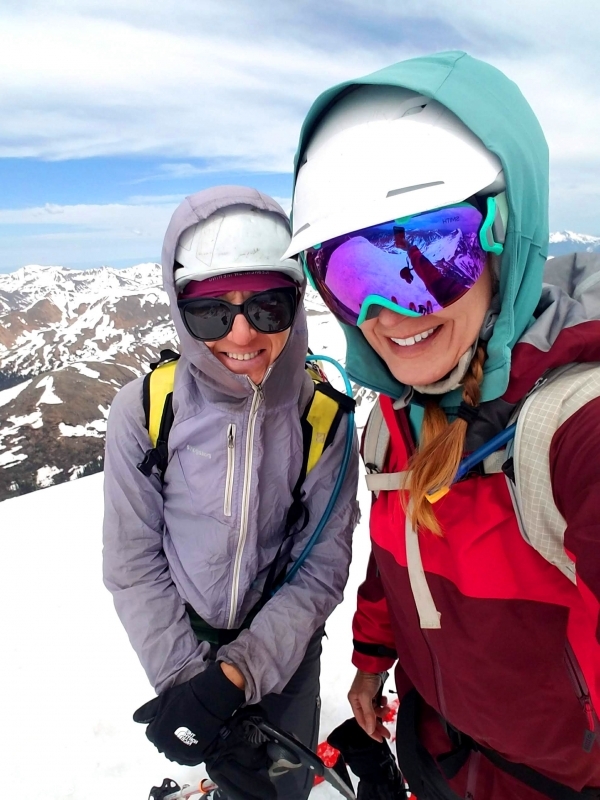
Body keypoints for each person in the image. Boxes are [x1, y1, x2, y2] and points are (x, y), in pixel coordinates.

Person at [283, 52, 600, 799]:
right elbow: (400, 560)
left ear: (504, 235)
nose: (388, 312)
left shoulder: (572, 431)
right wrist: (370, 660)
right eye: (351, 271)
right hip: (438, 751)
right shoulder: (394, 420)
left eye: (431, 252)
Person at [102, 186, 359, 800]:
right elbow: (134, 561)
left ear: (296, 304)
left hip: (286, 646)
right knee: (235, 771)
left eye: (268, 307)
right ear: (179, 308)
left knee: (281, 780)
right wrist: (194, 682)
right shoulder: (144, 410)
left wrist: (238, 674)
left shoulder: (322, 419)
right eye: (212, 312)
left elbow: (321, 565)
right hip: (185, 641)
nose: (241, 334)